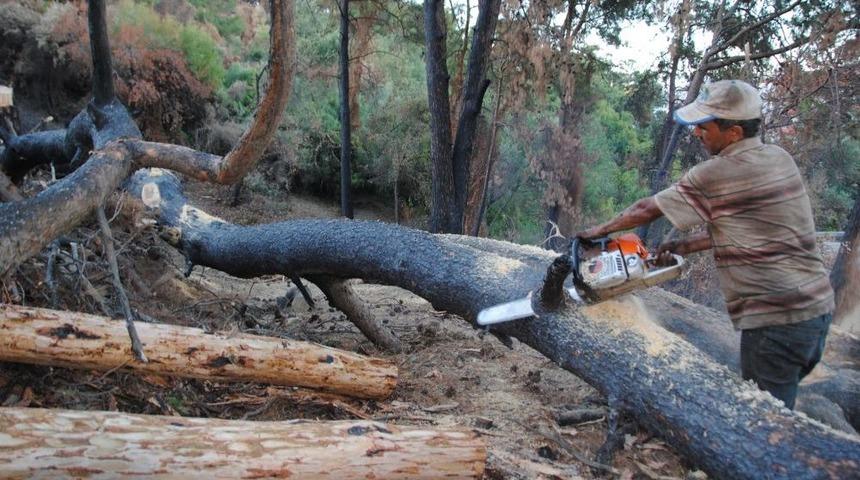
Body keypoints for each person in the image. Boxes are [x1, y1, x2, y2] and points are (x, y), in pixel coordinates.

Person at [577, 79, 834, 410]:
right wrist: (686, 246)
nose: (697, 133)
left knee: (765, 425)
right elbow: (754, 229)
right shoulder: (778, 158)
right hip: (815, 313)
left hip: (775, 323)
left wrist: (596, 231)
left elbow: (647, 209)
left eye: (704, 126)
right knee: (775, 407)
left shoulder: (719, 171)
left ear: (734, 133)